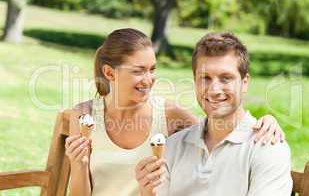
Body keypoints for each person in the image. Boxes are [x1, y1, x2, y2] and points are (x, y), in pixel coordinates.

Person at [64, 28, 286, 196]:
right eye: (205, 79)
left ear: (244, 82)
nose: (148, 79)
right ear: (110, 73)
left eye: (152, 70)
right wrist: (79, 163)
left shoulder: (172, 122)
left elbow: (219, 125)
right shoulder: (176, 144)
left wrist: (264, 121)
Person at [142, 32, 293, 196]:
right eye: (205, 78)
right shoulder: (173, 147)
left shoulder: (267, 149)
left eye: (225, 78)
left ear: (244, 83)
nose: (214, 90)